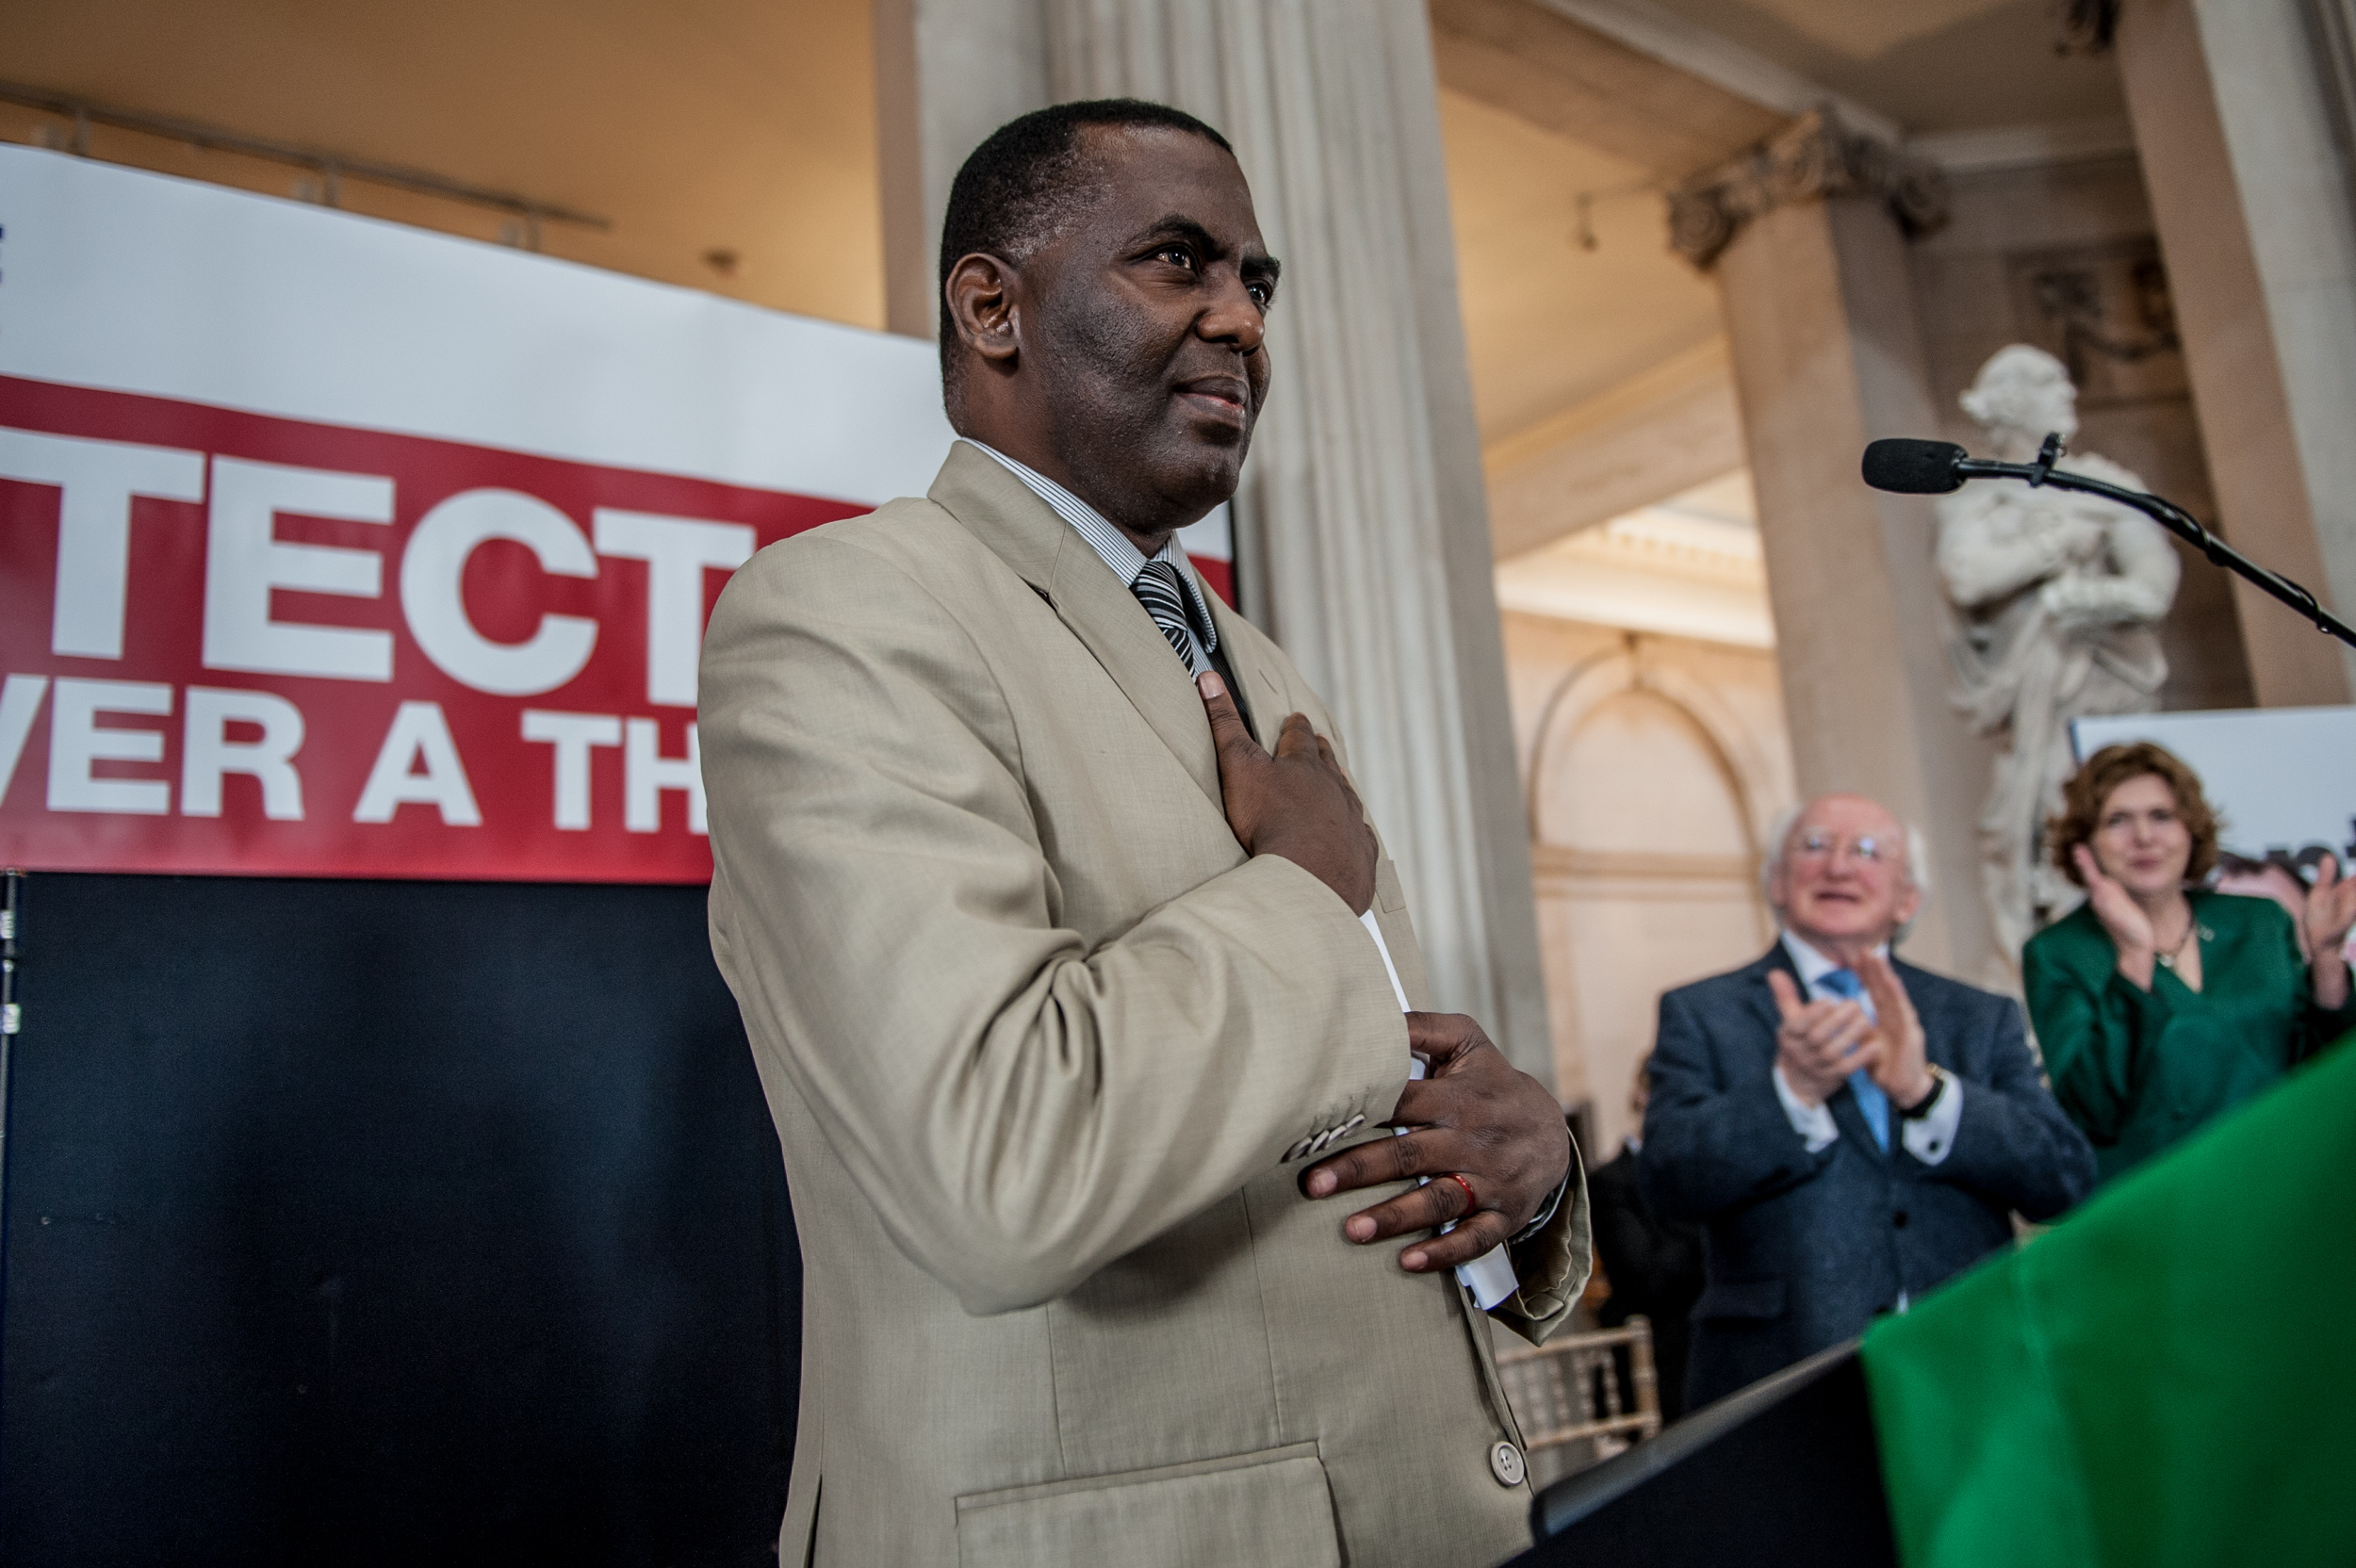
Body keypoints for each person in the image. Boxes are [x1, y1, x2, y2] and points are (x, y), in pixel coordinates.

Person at [696, 100, 1585, 1568]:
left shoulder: (1254, 657)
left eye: (1259, 283)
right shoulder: (845, 613)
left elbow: (1345, 1093)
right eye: (1179, 263)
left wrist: (1524, 1162)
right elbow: (1001, 1163)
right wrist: (1305, 890)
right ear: (992, 306)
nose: (1240, 320)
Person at [1638, 793, 2094, 1410]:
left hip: (1970, 1377)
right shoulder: (1701, 1013)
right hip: (1782, 1386)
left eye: (1868, 852)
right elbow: (1667, 1179)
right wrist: (1789, 1095)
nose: (1839, 867)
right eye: (1815, 845)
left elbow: (2063, 1180)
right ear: (1776, 881)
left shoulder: (1979, 1018)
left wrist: (1926, 1094)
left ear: (1908, 898)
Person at [2023, 742, 2356, 1184]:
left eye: (2161, 816)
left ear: (2191, 830)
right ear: (2085, 844)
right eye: (2117, 820)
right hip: (2163, 1206)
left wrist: (2329, 956)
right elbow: (2092, 1110)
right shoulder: (2060, 953)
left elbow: (2324, 1067)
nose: (2144, 837)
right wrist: (2135, 958)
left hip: (2288, 1182)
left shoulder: (2259, 922)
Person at [1585, 1056, 1704, 1420]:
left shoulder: (1701, 1172)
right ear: (1640, 1094)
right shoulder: (1611, 1181)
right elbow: (1645, 1277)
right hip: (1658, 1366)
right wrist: (1713, 1232)